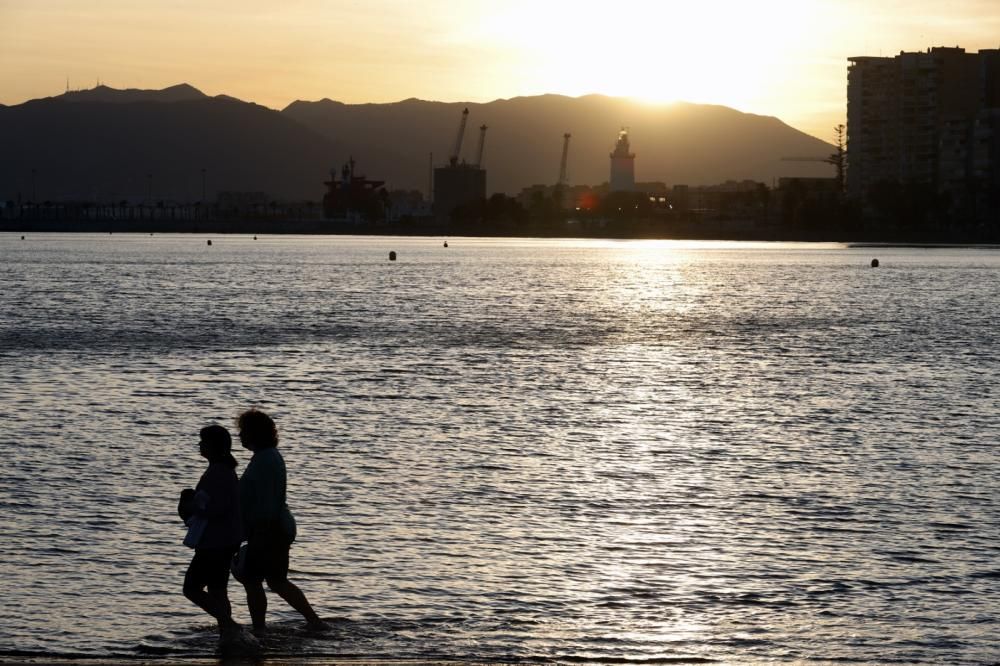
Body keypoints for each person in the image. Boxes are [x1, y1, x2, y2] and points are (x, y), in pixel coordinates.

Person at [236, 408, 325, 632]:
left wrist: (259, 533)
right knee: (275, 580)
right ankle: (313, 621)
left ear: (254, 433)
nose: (240, 436)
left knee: (254, 579)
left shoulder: (265, 460)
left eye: (243, 431)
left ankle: (260, 629)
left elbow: (266, 501)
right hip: (274, 528)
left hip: (270, 529)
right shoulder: (266, 456)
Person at [178, 425, 257, 650]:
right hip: (224, 539)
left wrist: (190, 505)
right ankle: (227, 637)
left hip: (215, 542)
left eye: (203, 442)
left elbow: (215, 508)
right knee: (217, 589)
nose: (200, 445)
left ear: (214, 446)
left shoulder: (219, 472)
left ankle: (230, 626)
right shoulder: (221, 469)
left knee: (191, 588)